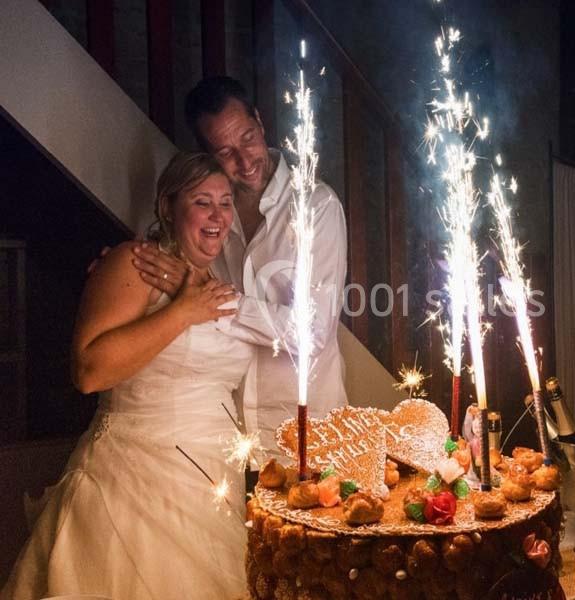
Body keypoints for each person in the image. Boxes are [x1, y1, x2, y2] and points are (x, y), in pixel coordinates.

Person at [2, 152, 252, 600]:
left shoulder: (220, 278)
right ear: (168, 207)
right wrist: (181, 311)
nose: (218, 216)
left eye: (226, 202)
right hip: (134, 479)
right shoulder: (133, 263)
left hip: (212, 481)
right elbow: (89, 371)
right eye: (202, 202)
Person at [131, 76, 348, 453]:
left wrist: (209, 301)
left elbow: (310, 333)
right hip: (227, 436)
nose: (245, 161)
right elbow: (165, 268)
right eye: (225, 152)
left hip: (308, 433)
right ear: (207, 156)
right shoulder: (210, 217)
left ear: (260, 122)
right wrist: (119, 268)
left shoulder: (317, 206)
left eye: (248, 137)